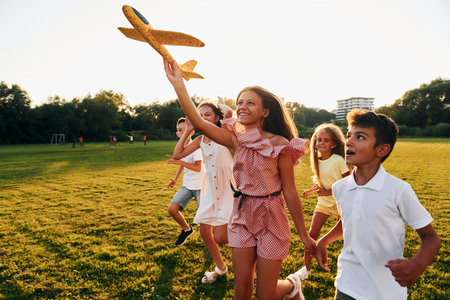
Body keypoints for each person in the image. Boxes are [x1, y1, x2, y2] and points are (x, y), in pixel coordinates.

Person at [164, 59, 316, 300]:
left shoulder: (281, 145)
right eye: (240, 102)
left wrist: (304, 235)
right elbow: (200, 122)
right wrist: (179, 86)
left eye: (250, 103)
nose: (242, 106)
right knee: (241, 290)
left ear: (265, 111)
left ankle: (291, 285)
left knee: (266, 295)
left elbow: (290, 192)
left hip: (272, 215)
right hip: (242, 213)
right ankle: (290, 285)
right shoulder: (235, 139)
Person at [315, 109, 441, 300]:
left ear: (382, 150)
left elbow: (431, 237)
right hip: (346, 284)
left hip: (385, 291)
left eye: (360, 137)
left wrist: (417, 265)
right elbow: (350, 221)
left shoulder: (398, 190)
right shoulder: (340, 188)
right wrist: (324, 240)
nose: (349, 142)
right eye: (349, 135)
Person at [170, 98, 235, 284]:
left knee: (221, 237)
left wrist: (222, 106)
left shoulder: (224, 132)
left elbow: (229, 113)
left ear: (216, 118)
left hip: (229, 187)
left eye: (208, 115)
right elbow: (177, 155)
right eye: (199, 116)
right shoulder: (199, 140)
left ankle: (250, 245)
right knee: (205, 232)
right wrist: (188, 132)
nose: (203, 118)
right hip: (211, 188)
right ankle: (221, 269)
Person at [299, 124, 350, 282]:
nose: (321, 143)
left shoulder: (339, 160)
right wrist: (311, 191)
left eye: (326, 140)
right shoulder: (317, 161)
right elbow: (323, 183)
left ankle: (348, 268)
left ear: (334, 144)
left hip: (341, 203)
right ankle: (305, 270)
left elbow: (349, 184)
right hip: (323, 204)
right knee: (312, 234)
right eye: (318, 140)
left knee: (349, 236)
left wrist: (327, 192)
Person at [166, 118, 205, 246]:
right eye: (180, 130)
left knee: (204, 218)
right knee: (172, 209)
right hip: (187, 185)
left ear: (191, 131)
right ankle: (187, 230)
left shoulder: (196, 147)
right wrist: (175, 179)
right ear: (177, 134)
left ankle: (211, 239)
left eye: (185, 130)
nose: (182, 133)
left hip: (200, 186)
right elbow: (183, 165)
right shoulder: (181, 148)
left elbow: (197, 168)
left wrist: (180, 161)